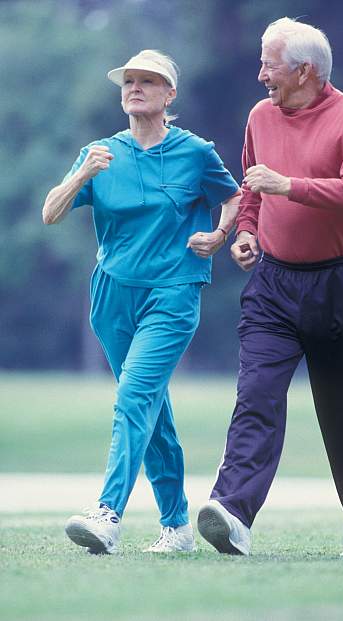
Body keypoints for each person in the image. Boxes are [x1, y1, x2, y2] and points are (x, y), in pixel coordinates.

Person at [197, 17, 343, 558]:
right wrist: (246, 232)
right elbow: (251, 187)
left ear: (305, 70)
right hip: (274, 285)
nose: (261, 74)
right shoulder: (260, 116)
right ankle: (232, 512)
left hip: (342, 282)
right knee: (255, 396)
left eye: (270, 64)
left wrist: (290, 185)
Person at [42, 49, 240, 555]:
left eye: (148, 81)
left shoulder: (195, 152)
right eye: (129, 81)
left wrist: (219, 235)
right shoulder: (100, 152)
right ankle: (176, 526)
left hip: (173, 293)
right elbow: (50, 212)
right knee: (151, 407)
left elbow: (234, 196)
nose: (135, 88)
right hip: (111, 296)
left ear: (169, 94)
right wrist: (83, 175)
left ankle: (108, 514)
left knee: (133, 397)